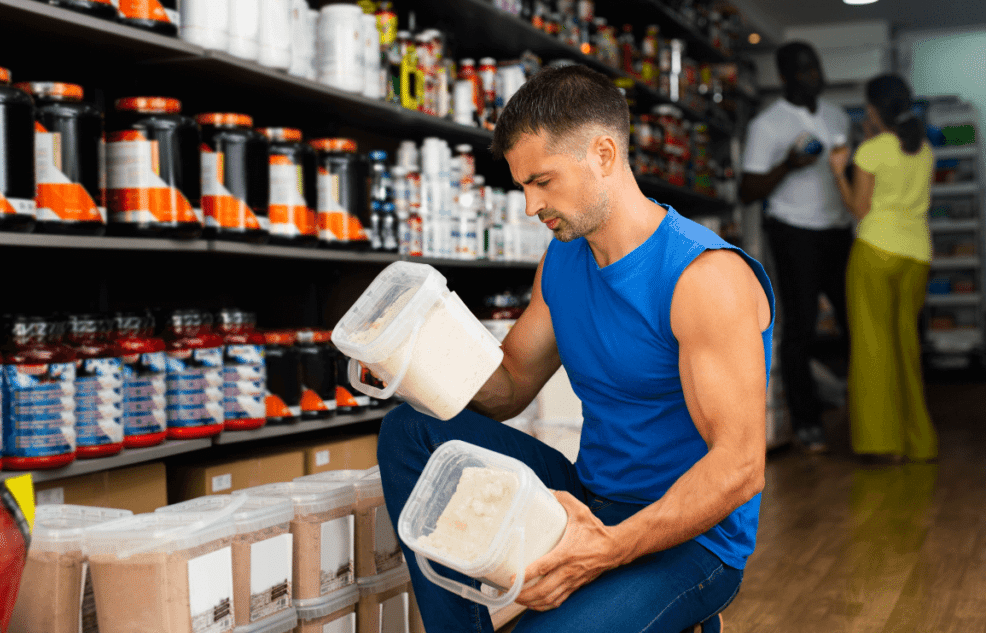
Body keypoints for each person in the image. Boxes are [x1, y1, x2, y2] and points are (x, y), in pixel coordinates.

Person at [376, 65, 774, 633]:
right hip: (592, 498)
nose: (531, 205)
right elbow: (509, 388)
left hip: (696, 540)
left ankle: (679, 609)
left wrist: (607, 549)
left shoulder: (703, 277)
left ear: (604, 155)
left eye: (543, 181)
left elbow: (739, 468)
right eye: (522, 187)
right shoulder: (564, 259)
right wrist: (414, 359)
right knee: (410, 430)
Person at [739, 41, 853, 454]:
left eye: (816, 68)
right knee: (800, 329)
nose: (814, 77)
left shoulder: (836, 115)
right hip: (794, 233)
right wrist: (788, 164)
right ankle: (807, 422)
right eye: (804, 70)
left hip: (839, 231)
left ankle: (865, 414)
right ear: (785, 76)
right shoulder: (766, 125)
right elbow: (748, 189)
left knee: (856, 324)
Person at [828, 74, 938, 462]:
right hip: (917, 255)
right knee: (906, 347)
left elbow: (859, 209)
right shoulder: (923, 149)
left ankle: (882, 444)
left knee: (873, 348)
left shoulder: (872, 150)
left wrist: (838, 171)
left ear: (873, 109)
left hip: (876, 250)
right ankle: (919, 442)